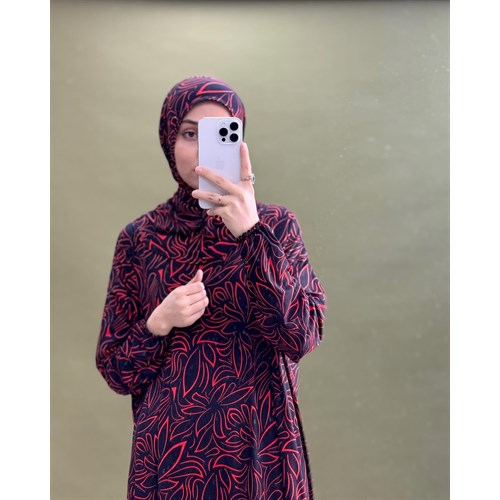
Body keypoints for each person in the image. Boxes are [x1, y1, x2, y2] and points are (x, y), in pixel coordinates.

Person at [96, 75, 327, 500]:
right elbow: (116, 371)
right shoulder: (140, 239)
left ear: (240, 142)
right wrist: (158, 324)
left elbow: (300, 335)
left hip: (262, 456)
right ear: (168, 140)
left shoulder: (276, 227)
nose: (203, 148)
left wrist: (251, 233)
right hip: (170, 462)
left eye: (220, 133)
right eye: (190, 134)